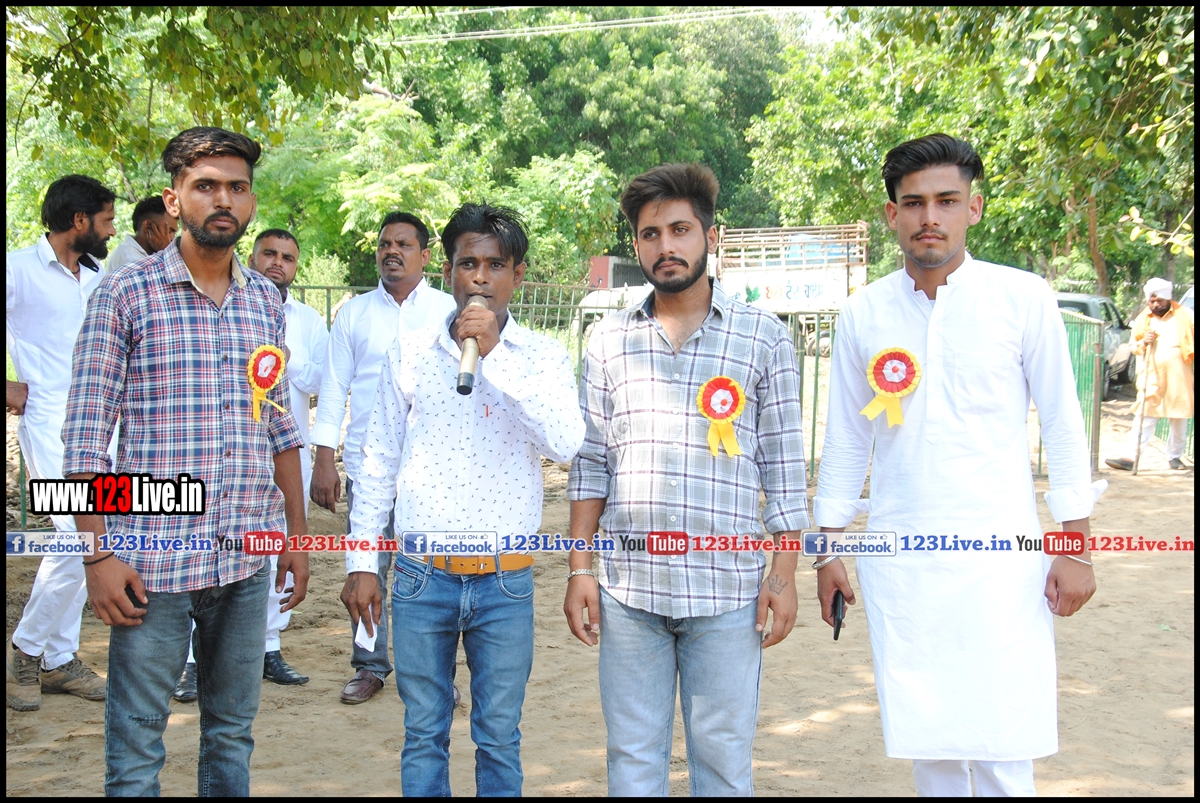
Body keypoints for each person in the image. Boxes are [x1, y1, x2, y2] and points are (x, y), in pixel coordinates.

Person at [814, 134, 1103, 797]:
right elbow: (847, 441)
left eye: (946, 200)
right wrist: (825, 551)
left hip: (1002, 558)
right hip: (904, 555)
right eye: (914, 203)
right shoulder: (864, 313)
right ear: (892, 214)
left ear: (973, 207)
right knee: (931, 743)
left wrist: (1076, 546)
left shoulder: (1022, 297)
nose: (930, 217)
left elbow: (1063, 421)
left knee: (1005, 742)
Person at [61, 127, 309, 796]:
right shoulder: (126, 294)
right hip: (152, 565)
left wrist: (295, 534)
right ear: (174, 201)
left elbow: (277, 421)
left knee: (230, 734)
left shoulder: (265, 301)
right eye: (205, 186)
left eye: (236, 187)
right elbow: (84, 438)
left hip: (244, 561)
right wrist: (97, 555)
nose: (222, 200)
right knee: (137, 746)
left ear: (250, 200)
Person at [564, 163, 809, 796]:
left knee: (723, 762)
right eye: (650, 234)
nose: (665, 246)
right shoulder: (608, 341)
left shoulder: (763, 339)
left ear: (710, 236)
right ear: (637, 244)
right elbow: (591, 464)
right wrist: (579, 570)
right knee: (632, 759)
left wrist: (782, 577)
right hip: (629, 592)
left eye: (680, 230)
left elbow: (785, 473)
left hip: (727, 593)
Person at [341, 203, 584, 796]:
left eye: (495, 265)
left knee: (498, 734)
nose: (480, 277)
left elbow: (566, 443)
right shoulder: (412, 352)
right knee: (423, 731)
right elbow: (378, 462)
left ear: (517, 275)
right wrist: (361, 561)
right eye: (468, 263)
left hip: (505, 581)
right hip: (421, 577)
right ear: (447, 271)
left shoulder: (542, 357)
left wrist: (496, 357)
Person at [171, 228, 328, 703]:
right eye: (269, 254)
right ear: (252, 256)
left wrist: (280, 356)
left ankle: (269, 647)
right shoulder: (229, 306)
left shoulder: (306, 320)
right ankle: (194, 660)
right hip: (221, 459)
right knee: (205, 549)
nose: (278, 262)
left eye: (288, 257)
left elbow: (318, 380)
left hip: (284, 453)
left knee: (277, 550)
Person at [310, 211, 456, 704]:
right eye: (384, 244)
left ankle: (436, 672)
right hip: (367, 468)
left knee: (434, 574)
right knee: (367, 566)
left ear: (425, 256)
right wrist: (324, 459)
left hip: (431, 469)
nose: (391, 251)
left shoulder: (447, 310)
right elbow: (334, 388)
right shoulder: (354, 314)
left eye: (403, 244)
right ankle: (369, 665)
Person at [6, 175, 117, 712]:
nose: (112, 230)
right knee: (78, 536)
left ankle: (58, 658)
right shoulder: (17, 269)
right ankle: (26, 652)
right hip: (49, 421)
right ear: (79, 220)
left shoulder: (97, 278)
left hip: (101, 426)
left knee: (93, 535)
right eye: (106, 220)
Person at [1104, 278, 1194, 471]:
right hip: (1152, 377)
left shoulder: (1185, 316)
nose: (1155, 305)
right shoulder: (1143, 320)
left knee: (1178, 418)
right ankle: (1131, 458)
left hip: (1180, 378)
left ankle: (1175, 457)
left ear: (1168, 299)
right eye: (1152, 301)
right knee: (1144, 417)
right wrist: (1143, 341)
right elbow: (1134, 347)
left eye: (1159, 301)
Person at [106, 196, 178, 270]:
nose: (173, 238)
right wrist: (166, 251)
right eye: (169, 231)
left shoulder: (151, 254)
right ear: (147, 226)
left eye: (174, 233)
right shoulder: (128, 256)